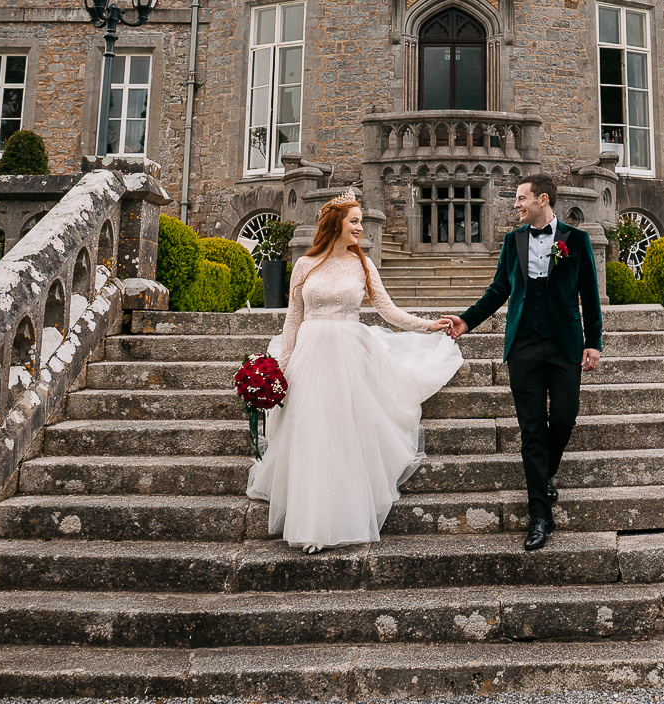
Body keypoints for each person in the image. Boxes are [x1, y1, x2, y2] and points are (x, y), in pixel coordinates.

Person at [246, 188, 463, 552]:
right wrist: (279, 371)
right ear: (337, 224)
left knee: (342, 433)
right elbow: (292, 321)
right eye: (355, 222)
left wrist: (430, 325)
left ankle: (339, 518)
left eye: (361, 222)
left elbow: (388, 310)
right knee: (311, 434)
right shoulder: (304, 265)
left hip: (348, 353)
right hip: (310, 353)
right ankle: (310, 524)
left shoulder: (363, 264)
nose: (361, 228)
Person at [436, 173, 602, 551]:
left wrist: (593, 343)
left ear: (543, 200)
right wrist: (467, 320)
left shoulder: (577, 240)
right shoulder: (513, 242)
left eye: (521, 198)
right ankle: (540, 515)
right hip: (524, 347)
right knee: (531, 431)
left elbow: (589, 293)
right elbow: (499, 289)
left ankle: (543, 475)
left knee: (564, 417)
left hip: (564, 346)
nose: (516, 204)